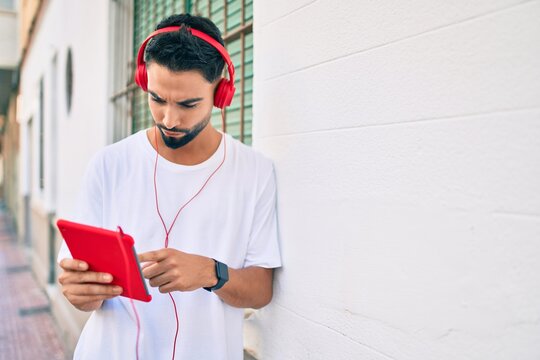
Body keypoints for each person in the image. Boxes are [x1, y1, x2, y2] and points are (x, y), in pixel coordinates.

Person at [57, 14, 281, 360]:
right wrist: (79, 291)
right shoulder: (109, 163)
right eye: (157, 99)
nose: (170, 120)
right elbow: (78, 283)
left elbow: (261, 290)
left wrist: (211, 272)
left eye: (188, 105)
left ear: (221, 92)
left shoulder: (255, 172)